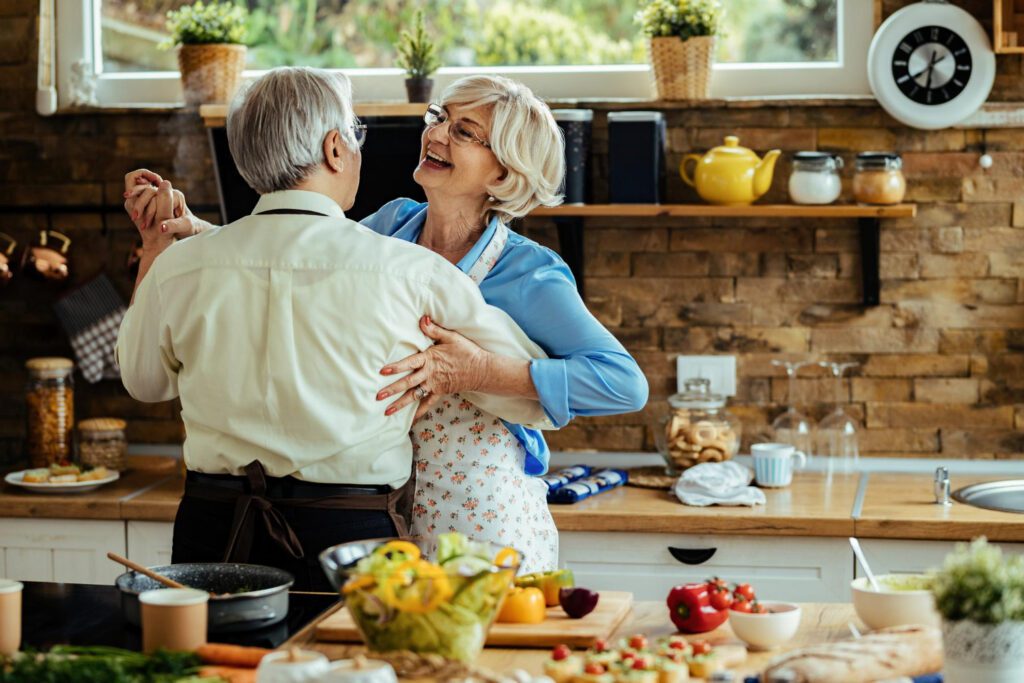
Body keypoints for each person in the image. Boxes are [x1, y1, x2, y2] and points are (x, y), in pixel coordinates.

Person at [125, 75, 648, 573]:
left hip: (477, 510)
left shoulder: (529, 271)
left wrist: (480, 371)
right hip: (388, 504)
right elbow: (308, 256)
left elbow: (622, 383)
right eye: (441, 116)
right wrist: (200, 233)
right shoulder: (395, 224)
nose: (436, 132)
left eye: (464, 132)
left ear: (503, 174)